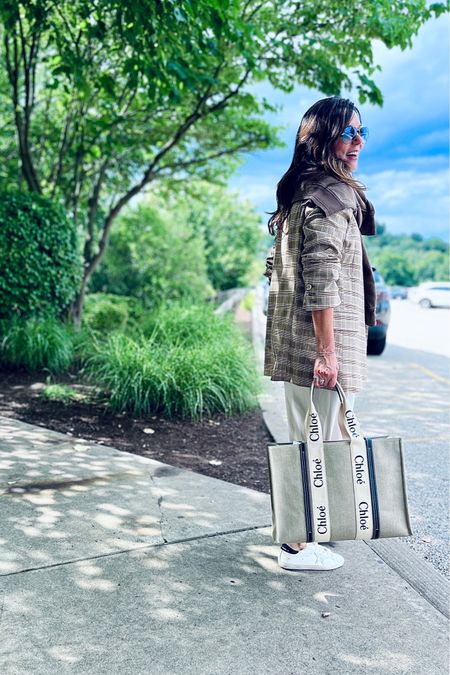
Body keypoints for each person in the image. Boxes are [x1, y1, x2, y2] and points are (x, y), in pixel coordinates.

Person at [264, 96, 377, 571]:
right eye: (347, 132)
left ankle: (301, 533)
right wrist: (327, 353)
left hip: (298, 342)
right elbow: (321, 270)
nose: (357, 142)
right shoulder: (329, 194)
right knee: (313, 442)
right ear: (321, 137)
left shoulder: (302, 191)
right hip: (318, 348)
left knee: (304, 439)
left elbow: (276, 265)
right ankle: (296, 544)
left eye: (361, 131)